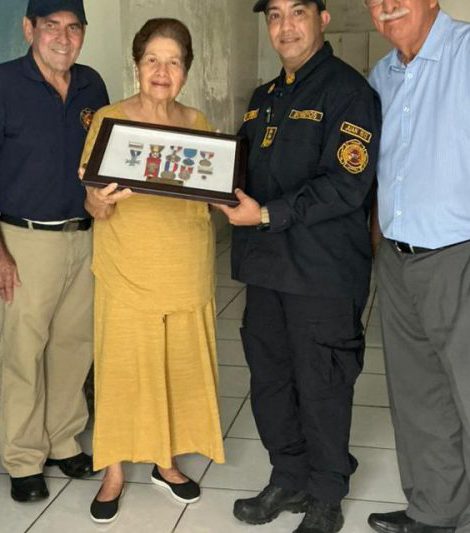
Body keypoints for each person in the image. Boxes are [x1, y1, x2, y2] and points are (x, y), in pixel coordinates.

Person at [214, 1, 381, 532]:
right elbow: (241, 171)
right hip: (265, 270)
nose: (286, 27)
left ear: (321, 19)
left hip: (321, 274)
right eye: (275, 15)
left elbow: (346, 184)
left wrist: (266, 213)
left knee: (322, 383)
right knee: (270, 380)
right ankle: (288, 475)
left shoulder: (349, 92)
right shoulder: (263, 97)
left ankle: (327, 493)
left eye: (298, 12)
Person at [80, 18, 225, 524]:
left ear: (186, 69)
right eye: (152, 61)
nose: (162, 71)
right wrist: (99, 201)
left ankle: (166, 463)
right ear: (137, 65)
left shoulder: (198, 122)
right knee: (123, 371)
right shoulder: (110, 121)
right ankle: (114, 471)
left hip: (185, 268)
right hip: (127, 268)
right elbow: (93, 200)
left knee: (176, 368)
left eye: (174, 62)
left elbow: (209, 190)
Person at [365, 1, 470, 532]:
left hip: (460, 253)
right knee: (419, 394)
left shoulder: (466, 53)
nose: (386, 5)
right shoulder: (380, 75)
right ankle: (436, 511)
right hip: (398, 258)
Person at [0, 0, 108, 503]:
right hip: (23, 241)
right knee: (22, 353)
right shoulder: (4, 84)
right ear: (30, 29)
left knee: (73, 345)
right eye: (51, 27)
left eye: (73, 27)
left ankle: (63, 440)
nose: (63, 38)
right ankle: (22, 457)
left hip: (84, 237)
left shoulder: (92, 85)